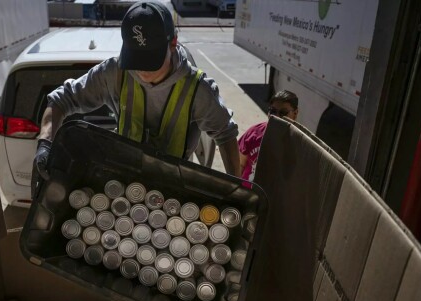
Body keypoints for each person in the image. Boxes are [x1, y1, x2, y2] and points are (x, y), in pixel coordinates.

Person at [32, 0, 240, 195]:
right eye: (136, 59)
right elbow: (60, 101)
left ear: (173, 43)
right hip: (124, 185)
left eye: (150, 60)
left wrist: (235, 190)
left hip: (174, 190)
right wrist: (45, 143)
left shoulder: (197, 89)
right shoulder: (115, 72)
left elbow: (226, 134)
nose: (142, 70)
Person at [238, 90, 299, 183]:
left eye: (283, 113)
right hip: (248, 192)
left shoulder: (299, 143)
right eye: (273, 111)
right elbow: (239, 165)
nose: (276, 117)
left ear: (295, 114)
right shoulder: (254, 133)